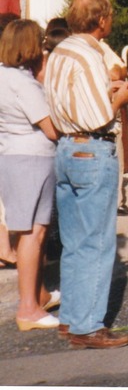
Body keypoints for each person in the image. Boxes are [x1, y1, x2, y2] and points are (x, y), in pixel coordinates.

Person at [42, 0, 128, 349]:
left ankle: (71, 319)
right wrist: (121, 96)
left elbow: (67, 97)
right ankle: (89, 326)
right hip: (92, 150)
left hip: (64, 148)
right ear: (100, 21)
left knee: (74, 242)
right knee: (97, 242)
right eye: (108, 16)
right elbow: (98, 114)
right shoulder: (91, 54)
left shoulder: (60, 51)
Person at [0, 19, 60, 331]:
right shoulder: (23, 83)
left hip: (11, 155)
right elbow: (49, 128)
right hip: (33, 157)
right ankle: (28, 308)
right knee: (33, 233)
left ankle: (39, 294)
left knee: (27, 231)